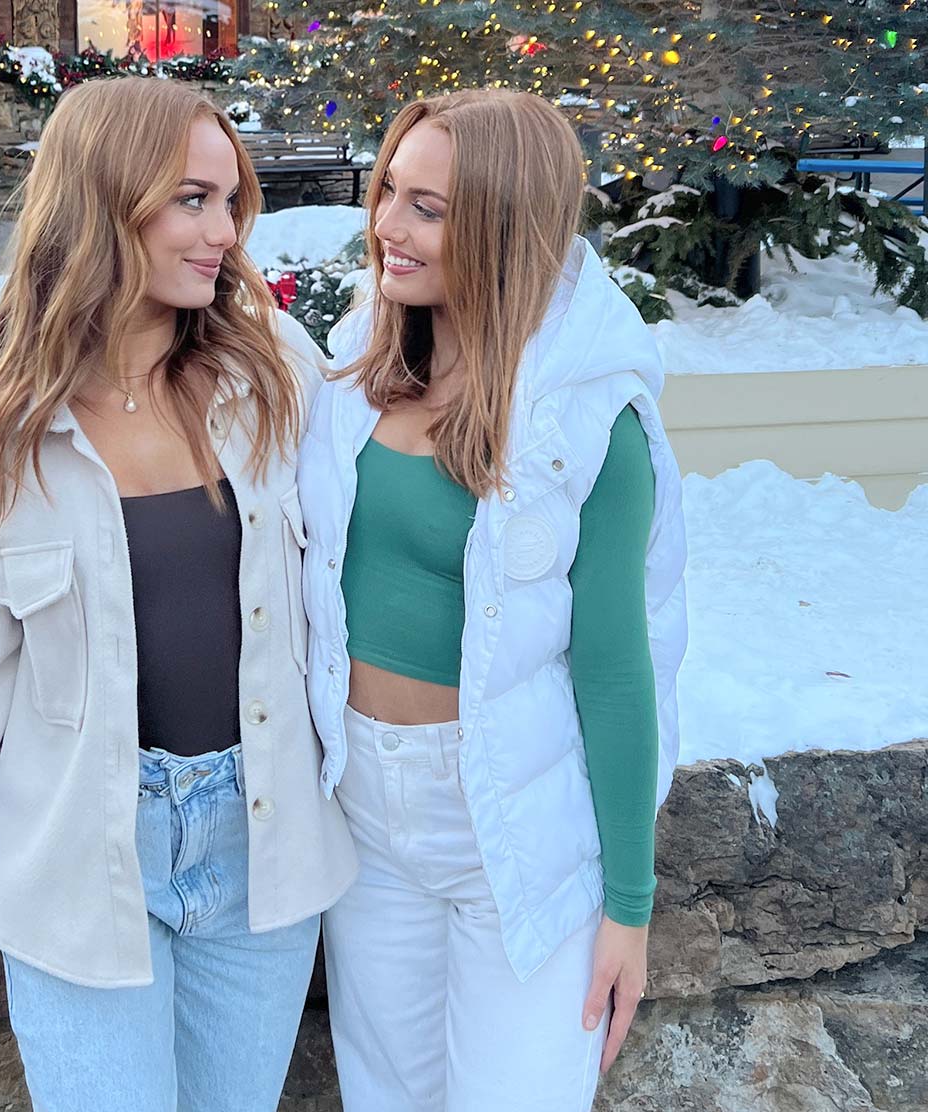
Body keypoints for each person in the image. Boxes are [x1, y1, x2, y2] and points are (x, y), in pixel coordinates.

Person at [0, 76, 357, 1112]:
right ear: (103, 201)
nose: (224, 232)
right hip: (80, 857)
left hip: (263, 840)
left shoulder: (273, 374)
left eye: (232, 202)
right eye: (191, 199)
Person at [297, 89, 688, 1111]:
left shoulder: (591, 412)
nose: (386, 223)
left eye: (428, 207)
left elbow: (615, 665)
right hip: (365, 818)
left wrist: (630, 907)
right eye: (390, 190)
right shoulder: (363, 365)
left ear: (505, 222)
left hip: (510, 823)